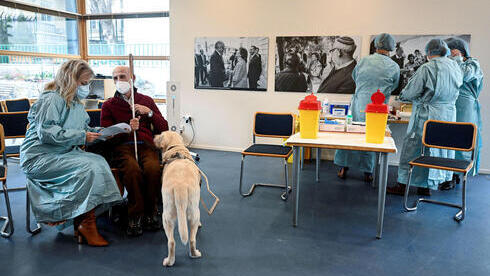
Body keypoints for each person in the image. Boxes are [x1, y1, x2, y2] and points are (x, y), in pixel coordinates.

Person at [20, 60, 122, 246]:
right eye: (83, 83)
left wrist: (102, 133)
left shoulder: (75, 104)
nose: (86, 88)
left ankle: (82, 221)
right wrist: (83, 136)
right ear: (69, 80)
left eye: (87, 83)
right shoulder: (51, 99)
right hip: (39, 157)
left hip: (61, 153)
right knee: (90, 167)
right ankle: (85, 224)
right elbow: (47, 133)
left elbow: (84, 128)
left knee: (98, 162)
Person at [387, 39, 463, 196]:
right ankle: (426, 186)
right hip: (447, 115)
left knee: (414, 149)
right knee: (438, 150)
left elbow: (410, 92)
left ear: (429, 52)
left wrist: (403, 96)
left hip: (427, 115)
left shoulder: (427, 68)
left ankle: (403, 185)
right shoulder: (454, 66)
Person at [101, 66, 169, 236]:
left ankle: (151, 211)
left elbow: (164, 127)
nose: (118, 81)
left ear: (132, 78)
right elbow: (105, 134)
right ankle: (135, 215)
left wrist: (151, 113)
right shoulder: (109, 105)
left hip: (145, 144)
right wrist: (125, 129)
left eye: (122, 76)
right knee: (132, 171)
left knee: (153, 169)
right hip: (122, 147)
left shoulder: (145, 100)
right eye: (115, 78)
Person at [335, 33, 400, 183]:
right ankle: (367, 171)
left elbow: (355, 77)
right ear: (390, 48)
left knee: (351, 135)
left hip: (358, 104)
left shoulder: (363, 61)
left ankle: (344, 167)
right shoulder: (394, 66)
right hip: (377, 108)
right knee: (372, 137)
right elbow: (394, 85)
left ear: (376, 45)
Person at [440, 37, 483, 190]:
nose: (449, 56)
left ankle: (457, 174)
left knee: (462, 142)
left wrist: (457, 60)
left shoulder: (473, 64)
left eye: (451, 53)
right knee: (449, 141)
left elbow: (464, 76)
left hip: (465, 108)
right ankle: (449, 174)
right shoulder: (451, 64)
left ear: (460, 52)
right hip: (451, 105)